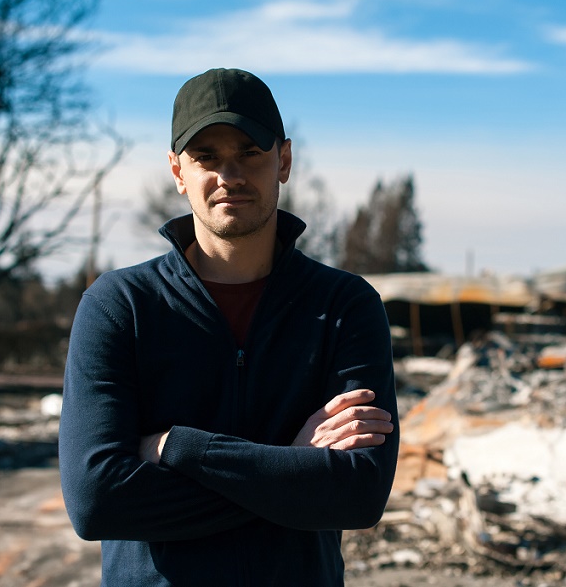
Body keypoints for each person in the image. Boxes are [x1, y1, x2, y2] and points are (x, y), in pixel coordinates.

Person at [58, 68, 399, 586]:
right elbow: (96, 502)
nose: (230, 175)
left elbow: (357, 495)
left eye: (249, 152)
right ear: (177, 171)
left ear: (283, 160)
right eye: (207, 157)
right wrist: (291, 465)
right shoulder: (120, 305)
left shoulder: (345, 305)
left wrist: (179, 449)